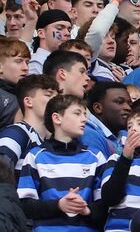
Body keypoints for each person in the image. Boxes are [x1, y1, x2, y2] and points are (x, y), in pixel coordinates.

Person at [17, 95, 110, 232]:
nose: (84, 119)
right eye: (77, 113)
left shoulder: (96, 157)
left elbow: (104, 206)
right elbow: (24, 206)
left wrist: (86, 210)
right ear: (57, 118)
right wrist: (59, 205)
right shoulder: (35, 156)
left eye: (84, 114)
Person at [0, 75, 58, 171]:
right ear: (28, 101)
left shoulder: (49, 142)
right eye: (49, 95)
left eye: (57, 97)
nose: (56, 101)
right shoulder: (16, 133)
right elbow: (2, 174)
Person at [29, 9, 73, 75]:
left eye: (69, 30)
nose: (67, 33)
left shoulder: (68, 61)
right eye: (59, 28)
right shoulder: (36, 64)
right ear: (41, 33)